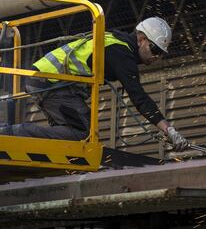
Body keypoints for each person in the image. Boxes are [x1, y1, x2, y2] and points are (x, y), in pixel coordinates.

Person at [0, 17, 189, 151]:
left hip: (47, 81)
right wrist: (167, 129)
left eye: (160, 53)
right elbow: (138, 96)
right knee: (83, 133)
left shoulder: (116, 42)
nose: (156, 57)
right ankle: (11, 133)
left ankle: (13, 135)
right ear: (141, 39)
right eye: (155, 49)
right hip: (51, 83)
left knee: (68, 137)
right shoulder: (121, 53)